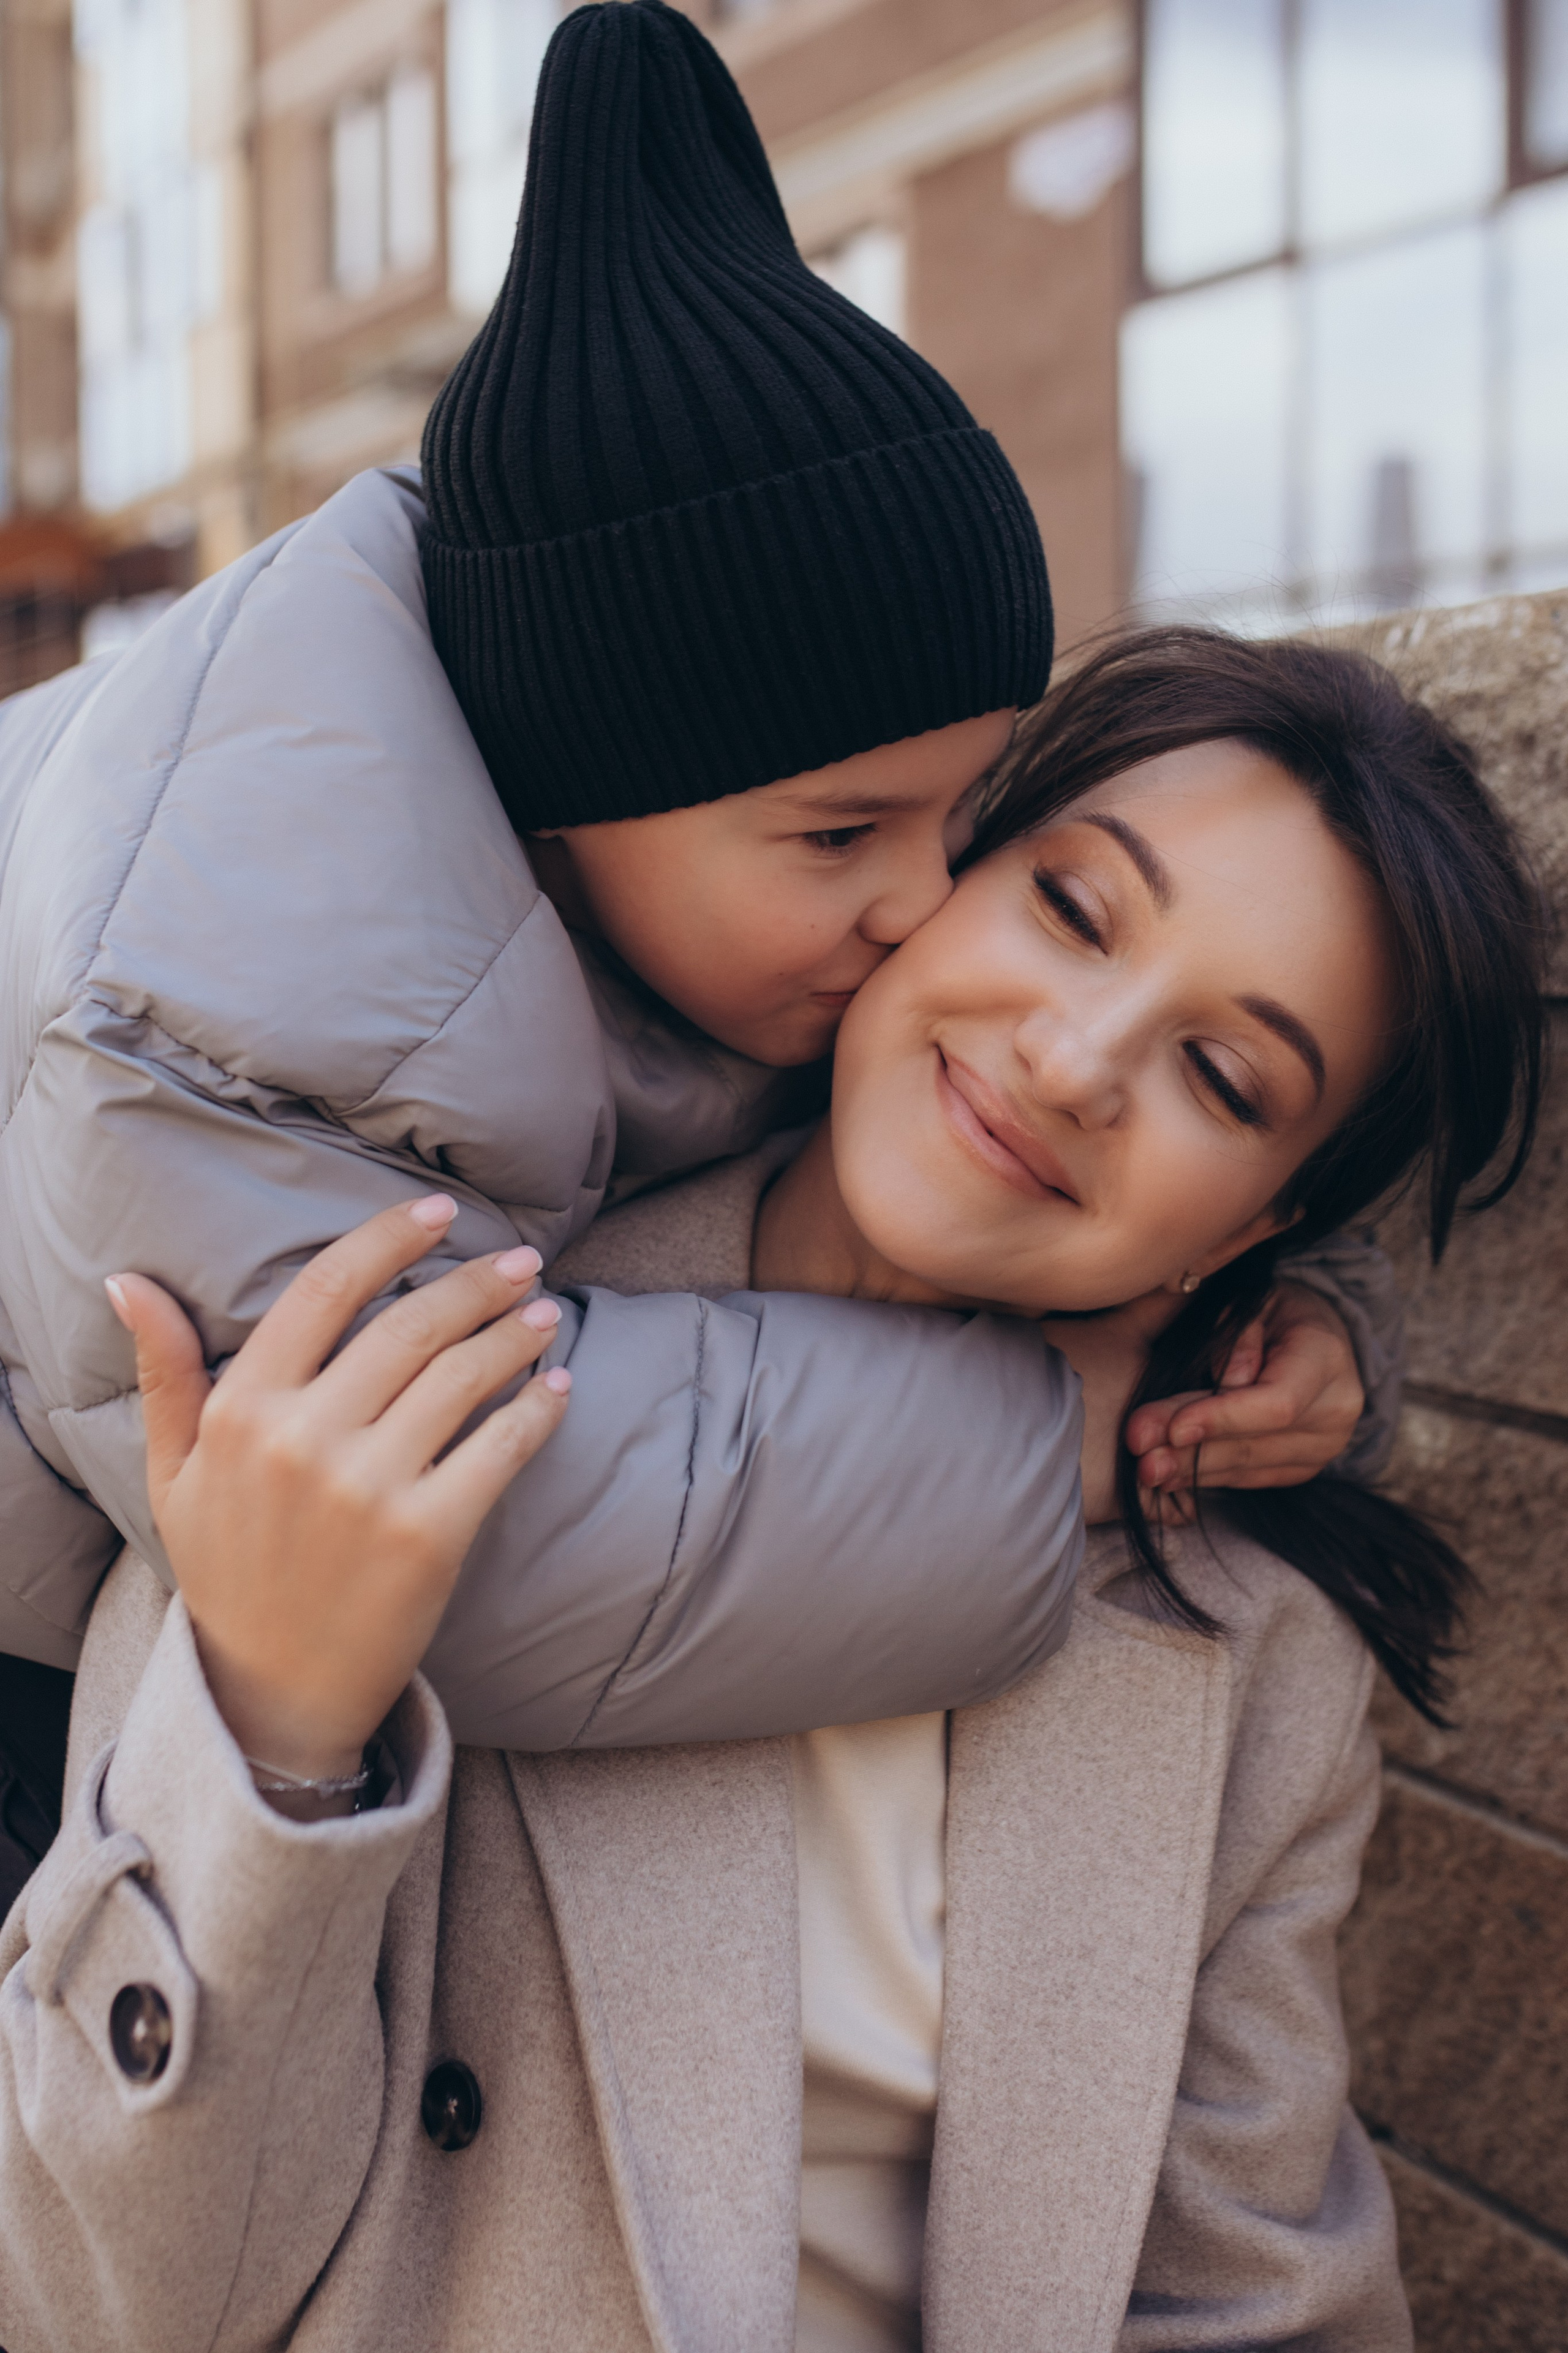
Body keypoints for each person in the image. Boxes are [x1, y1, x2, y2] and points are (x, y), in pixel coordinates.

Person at [0, 627, 1543, 2353]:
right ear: (931, 876)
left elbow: (1256, 2299)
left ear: (1258, 1224)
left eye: (1224, 1077)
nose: (1073, 1060)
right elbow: (95, 2299)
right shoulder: (421, 1358)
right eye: (1073, 907)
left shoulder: (1251, 1643)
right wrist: (276, 1740)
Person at [0, 0, 1382, 1862]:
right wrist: (1073, 1419)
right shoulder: (221, 985)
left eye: (970, 817)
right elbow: (444, 1542)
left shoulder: (622, 835)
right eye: (841, 834)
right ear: (571, 793)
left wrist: (1285, 1328)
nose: (923, 906)